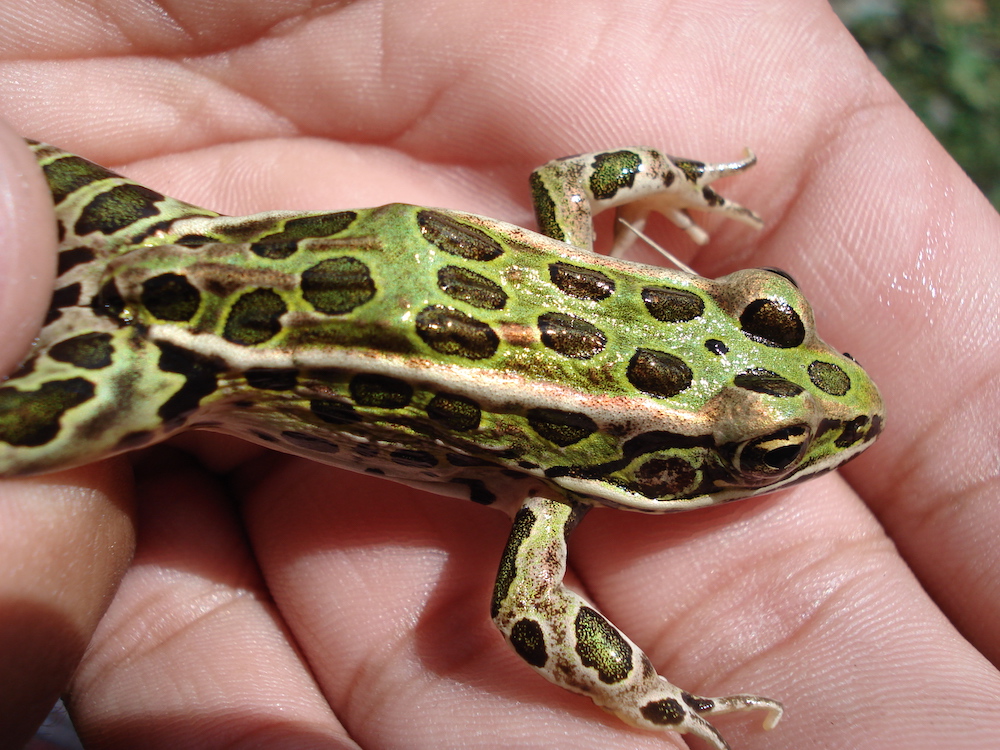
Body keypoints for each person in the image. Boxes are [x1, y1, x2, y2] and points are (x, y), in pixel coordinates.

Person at [1, 1, 999, 747]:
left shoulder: (579, 255)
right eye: (771, 317)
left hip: (164, 226)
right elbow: (527, 612)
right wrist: (654, 700)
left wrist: (676, 176)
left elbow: (572, 179)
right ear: (657, 464)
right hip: (165, 356)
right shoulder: (552, 499)